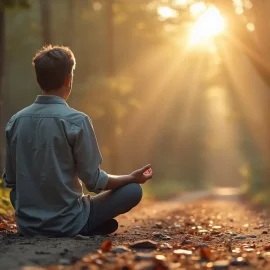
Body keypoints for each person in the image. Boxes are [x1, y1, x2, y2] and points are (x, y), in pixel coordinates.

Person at [2, 45, 153, 237]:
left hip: (28, 226)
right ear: (69, 80)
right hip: (69, 222)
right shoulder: (77, 120)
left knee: (17, 194)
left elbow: (12, 181)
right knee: (133, 191)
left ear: (38, 79)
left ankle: (60, 225)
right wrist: (132, 178)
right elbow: (94, 181)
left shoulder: (15, 121)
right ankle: (87, 225)